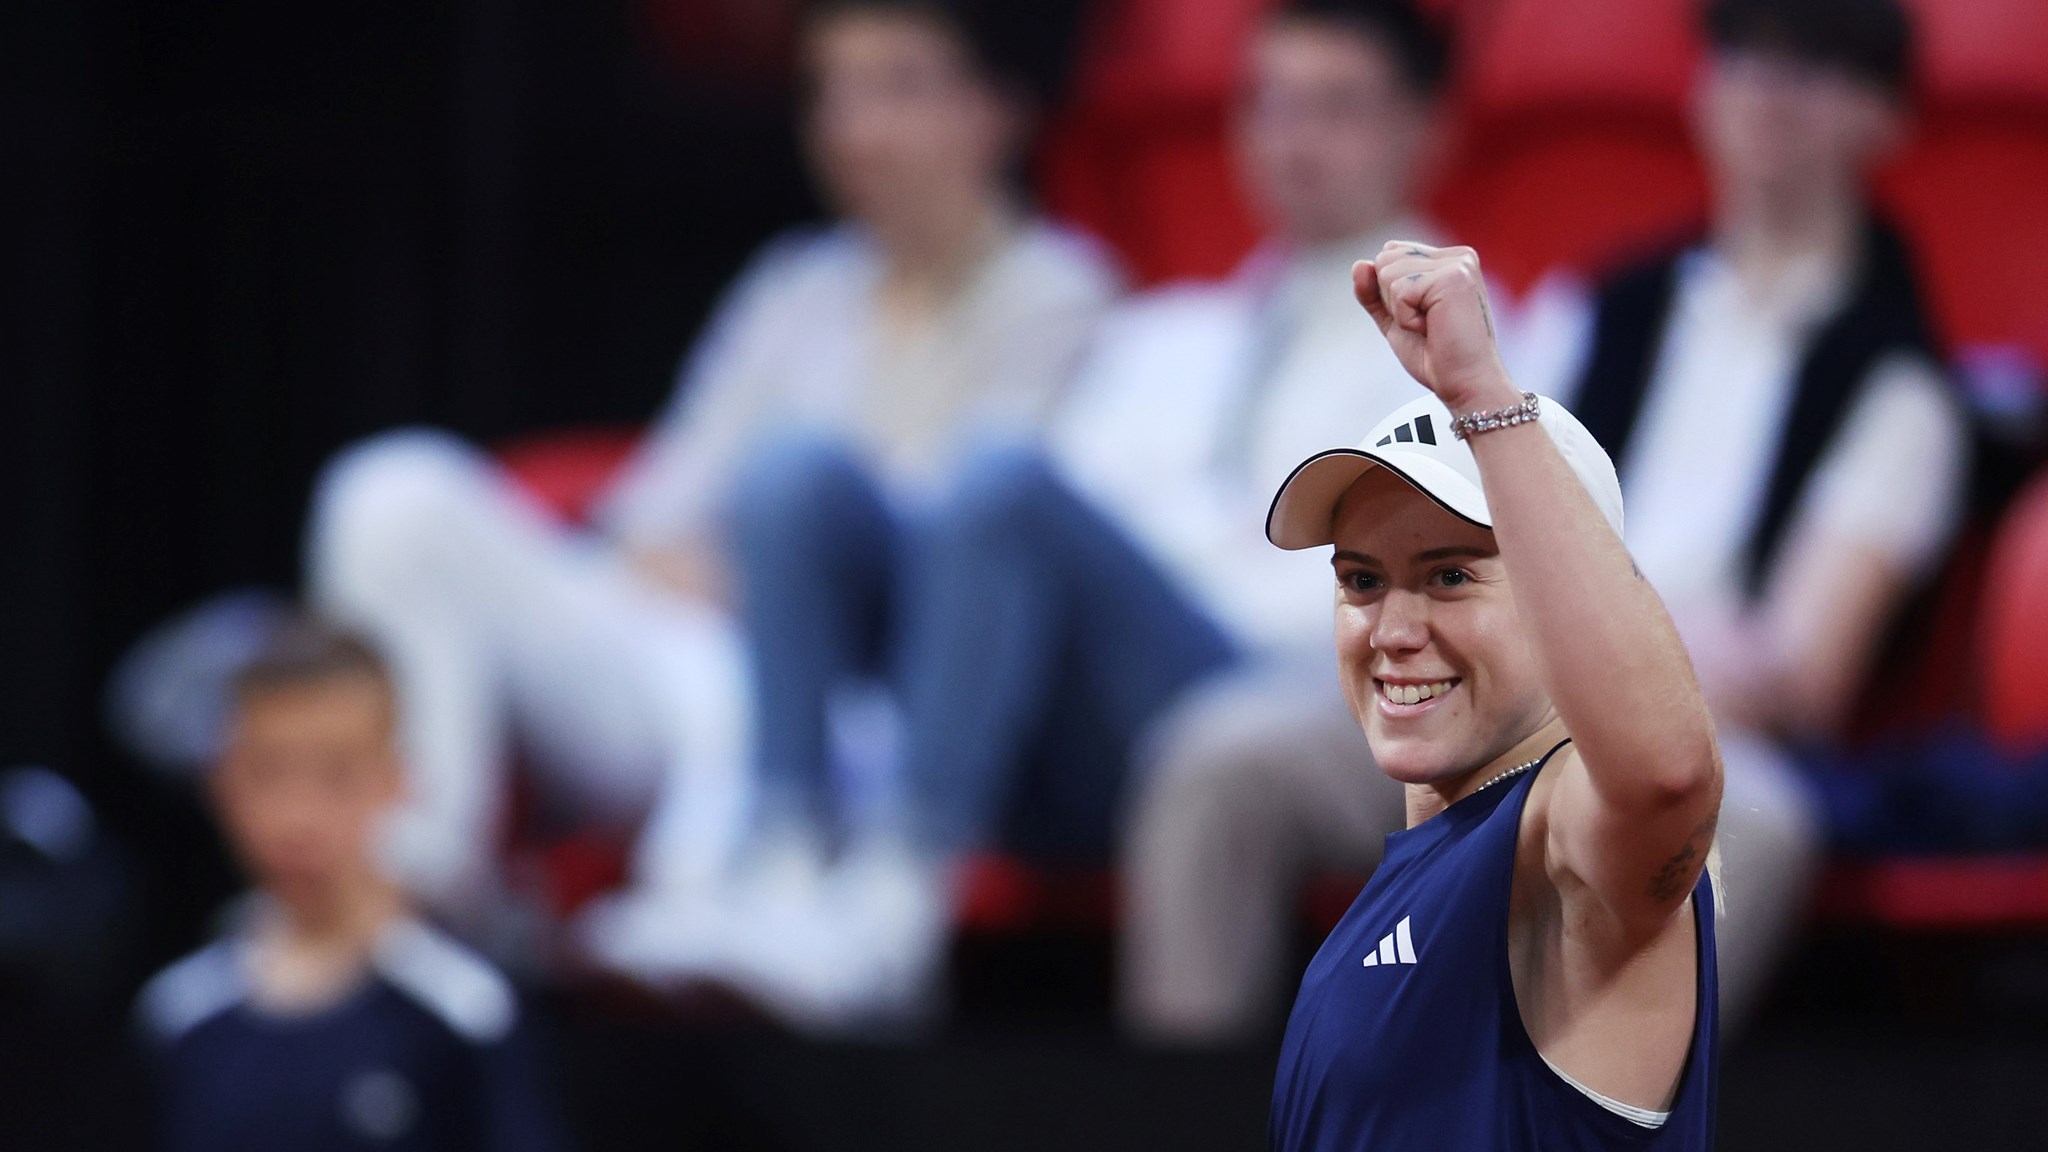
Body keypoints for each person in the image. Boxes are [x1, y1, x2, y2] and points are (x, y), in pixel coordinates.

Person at [1124, 0, 1966, 1042]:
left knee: (1758, 823)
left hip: (1658, 723)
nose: (1764, 98)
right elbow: (1476, 512)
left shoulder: (1898, 386)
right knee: (1223, 755)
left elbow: (1795, 671)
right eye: (1741, 61)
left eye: (1808, 70)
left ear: (1881, 119)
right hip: (1506, 673)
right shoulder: (1600, 307)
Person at [696, 0, 1451, 1032]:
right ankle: (777, 856)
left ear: (1423, 129)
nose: (1294, 141)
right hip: (1081, 711)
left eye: (1335, 108)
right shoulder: (1168, 333)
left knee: (1001, 477)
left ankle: (898, 891)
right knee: (798, 473)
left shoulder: (1471, 357)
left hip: (1270, 696)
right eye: (1269, 107)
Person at [306, 0, 1118, 941]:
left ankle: (706, 921)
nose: (855, 128)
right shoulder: (794, 286)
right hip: (671, 653)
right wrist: (720, 561)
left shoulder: (1061, 291)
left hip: (848, 703)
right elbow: (655, 510)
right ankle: (424, 872)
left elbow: (952, 552)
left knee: (759, 646)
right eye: (832, 93)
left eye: (896, 86)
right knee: (392, 491)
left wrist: (759, 568)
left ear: (996, 110)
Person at [1269, 241, 1719, 1147]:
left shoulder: (1563, 850)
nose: (1391, 630)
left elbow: (1667, 777)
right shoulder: (1421, 870)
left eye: (1448, 579)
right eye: (1360, 580)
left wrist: (1483, 401)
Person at [135, 619, 569, 1152]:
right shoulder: (180, 1017)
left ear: (394, 780)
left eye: (335, 774)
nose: (298, 816)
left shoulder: (463, 1013)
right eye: (269, 772)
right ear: (223, 785)